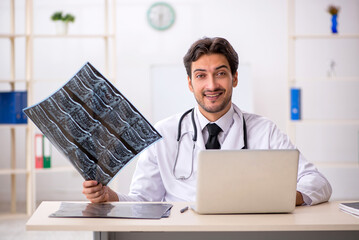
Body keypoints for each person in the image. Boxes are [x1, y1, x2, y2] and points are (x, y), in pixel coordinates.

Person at [82, 37, 332, 206]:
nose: (211, 85)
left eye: (220, 74)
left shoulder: (263, 131)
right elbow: (143, 202)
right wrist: (109, 196)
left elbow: (318, 183)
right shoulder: (164, 132)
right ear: (190, 83)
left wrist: (274, 196)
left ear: (234, 78)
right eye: (201, 76)